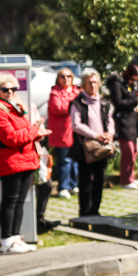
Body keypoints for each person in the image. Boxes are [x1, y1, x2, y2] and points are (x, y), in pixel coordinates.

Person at [0, 75, 48, 254]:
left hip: (25, 159)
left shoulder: (15, 108)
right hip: (11, 160)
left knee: (19, 202)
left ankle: (15, 238)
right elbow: (11, 138)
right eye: (5, 89)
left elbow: (22, 134)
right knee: (10, 201)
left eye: (13, 89)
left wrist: (36, 132)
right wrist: (34, 129)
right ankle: (6, 242)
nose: (10, 92)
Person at [71, 70, 115, 218]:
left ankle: (95, 211)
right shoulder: (78, 103)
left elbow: (110, 121)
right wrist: (95, 135)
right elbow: (76, 125)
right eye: (89, 83)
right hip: (86, 148)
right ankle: (84, 212)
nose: (93, 85)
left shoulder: (104, 103)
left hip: (101, 147)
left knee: (99, 180)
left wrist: (109, 134)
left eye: (95, 82)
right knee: (86, 181)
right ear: (83, 85)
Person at [106, 65, 138, 189]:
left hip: (132, 121)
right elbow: (118, 103)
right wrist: (136, 100)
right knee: (128, 151)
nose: (133, 81)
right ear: (128, 75)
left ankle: (131, 177)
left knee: (134, 151)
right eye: (132, 79)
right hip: (122, 122)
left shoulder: (130, 85)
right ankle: (125, 180)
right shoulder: (116, 84)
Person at [47, 69, 80, 199]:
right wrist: (73, 103)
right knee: (64, 160)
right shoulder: (55, 93)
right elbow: (57, 109)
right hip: (62, 133)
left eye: (69, 76)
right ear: (58, 79)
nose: (66, 79)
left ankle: (73, 185)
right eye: (63, 76)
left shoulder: (76, 91)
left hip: (76, 132)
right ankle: (63, 187)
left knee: (75, 160)